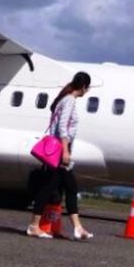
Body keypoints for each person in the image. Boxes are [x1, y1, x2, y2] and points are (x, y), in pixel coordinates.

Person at [26, 71, 94, 240]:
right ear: (84, 86)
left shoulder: (65, 99)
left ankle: (77, 228)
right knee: (58, 188)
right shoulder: (69, 100)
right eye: (88, 87)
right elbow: (62, 127)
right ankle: (35, 226)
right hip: (60, 151)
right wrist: (65, 150)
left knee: (62, 187)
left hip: (60, 150)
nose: (88, 90)